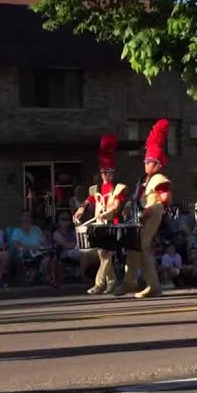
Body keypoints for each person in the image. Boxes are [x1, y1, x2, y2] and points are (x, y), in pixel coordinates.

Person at [117, 119, 172, 298]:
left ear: (158, 164)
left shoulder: (160, 178)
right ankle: (141, 283)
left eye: (150, 161)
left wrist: (150, 210)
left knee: (140, 246)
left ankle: (133, 282)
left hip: (152, 215)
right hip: (141, 216)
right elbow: (136, 198)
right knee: (136, 248)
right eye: (146, 161)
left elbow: (165, 199)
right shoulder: (142, 180)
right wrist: (126, 207)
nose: (146, 164)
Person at [72, 133, 127, 294]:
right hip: (98, 225)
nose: (105, 175)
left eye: (108, 172)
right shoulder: (95, 188)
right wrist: (80, 210)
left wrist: (108, 214)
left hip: (111, 224)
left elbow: (116, 206)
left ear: (113, 172)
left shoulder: (118, 188)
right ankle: (112, 282)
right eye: (103, 171)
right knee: (103, 255)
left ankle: (98, 284)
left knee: (105, 254)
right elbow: (87, 202)